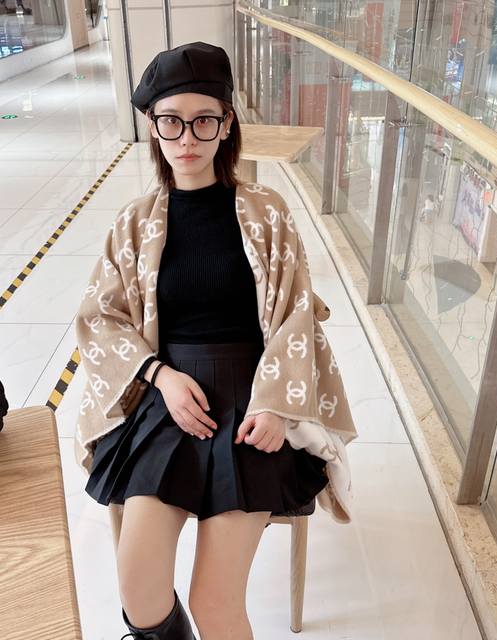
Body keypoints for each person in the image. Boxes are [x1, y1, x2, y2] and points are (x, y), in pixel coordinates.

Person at [77, 41, 350, 640]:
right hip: (169, 397)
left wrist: (276, 405)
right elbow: (100, 317)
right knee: (138, 592)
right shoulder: (135, 221)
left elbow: (297, 315)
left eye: (204, 120)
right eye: (171, 121)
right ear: (153, 128)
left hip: (254, 403)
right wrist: (160, 376)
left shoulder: (266, 211)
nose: (187, 137)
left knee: (214, 602)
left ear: (227, 124)